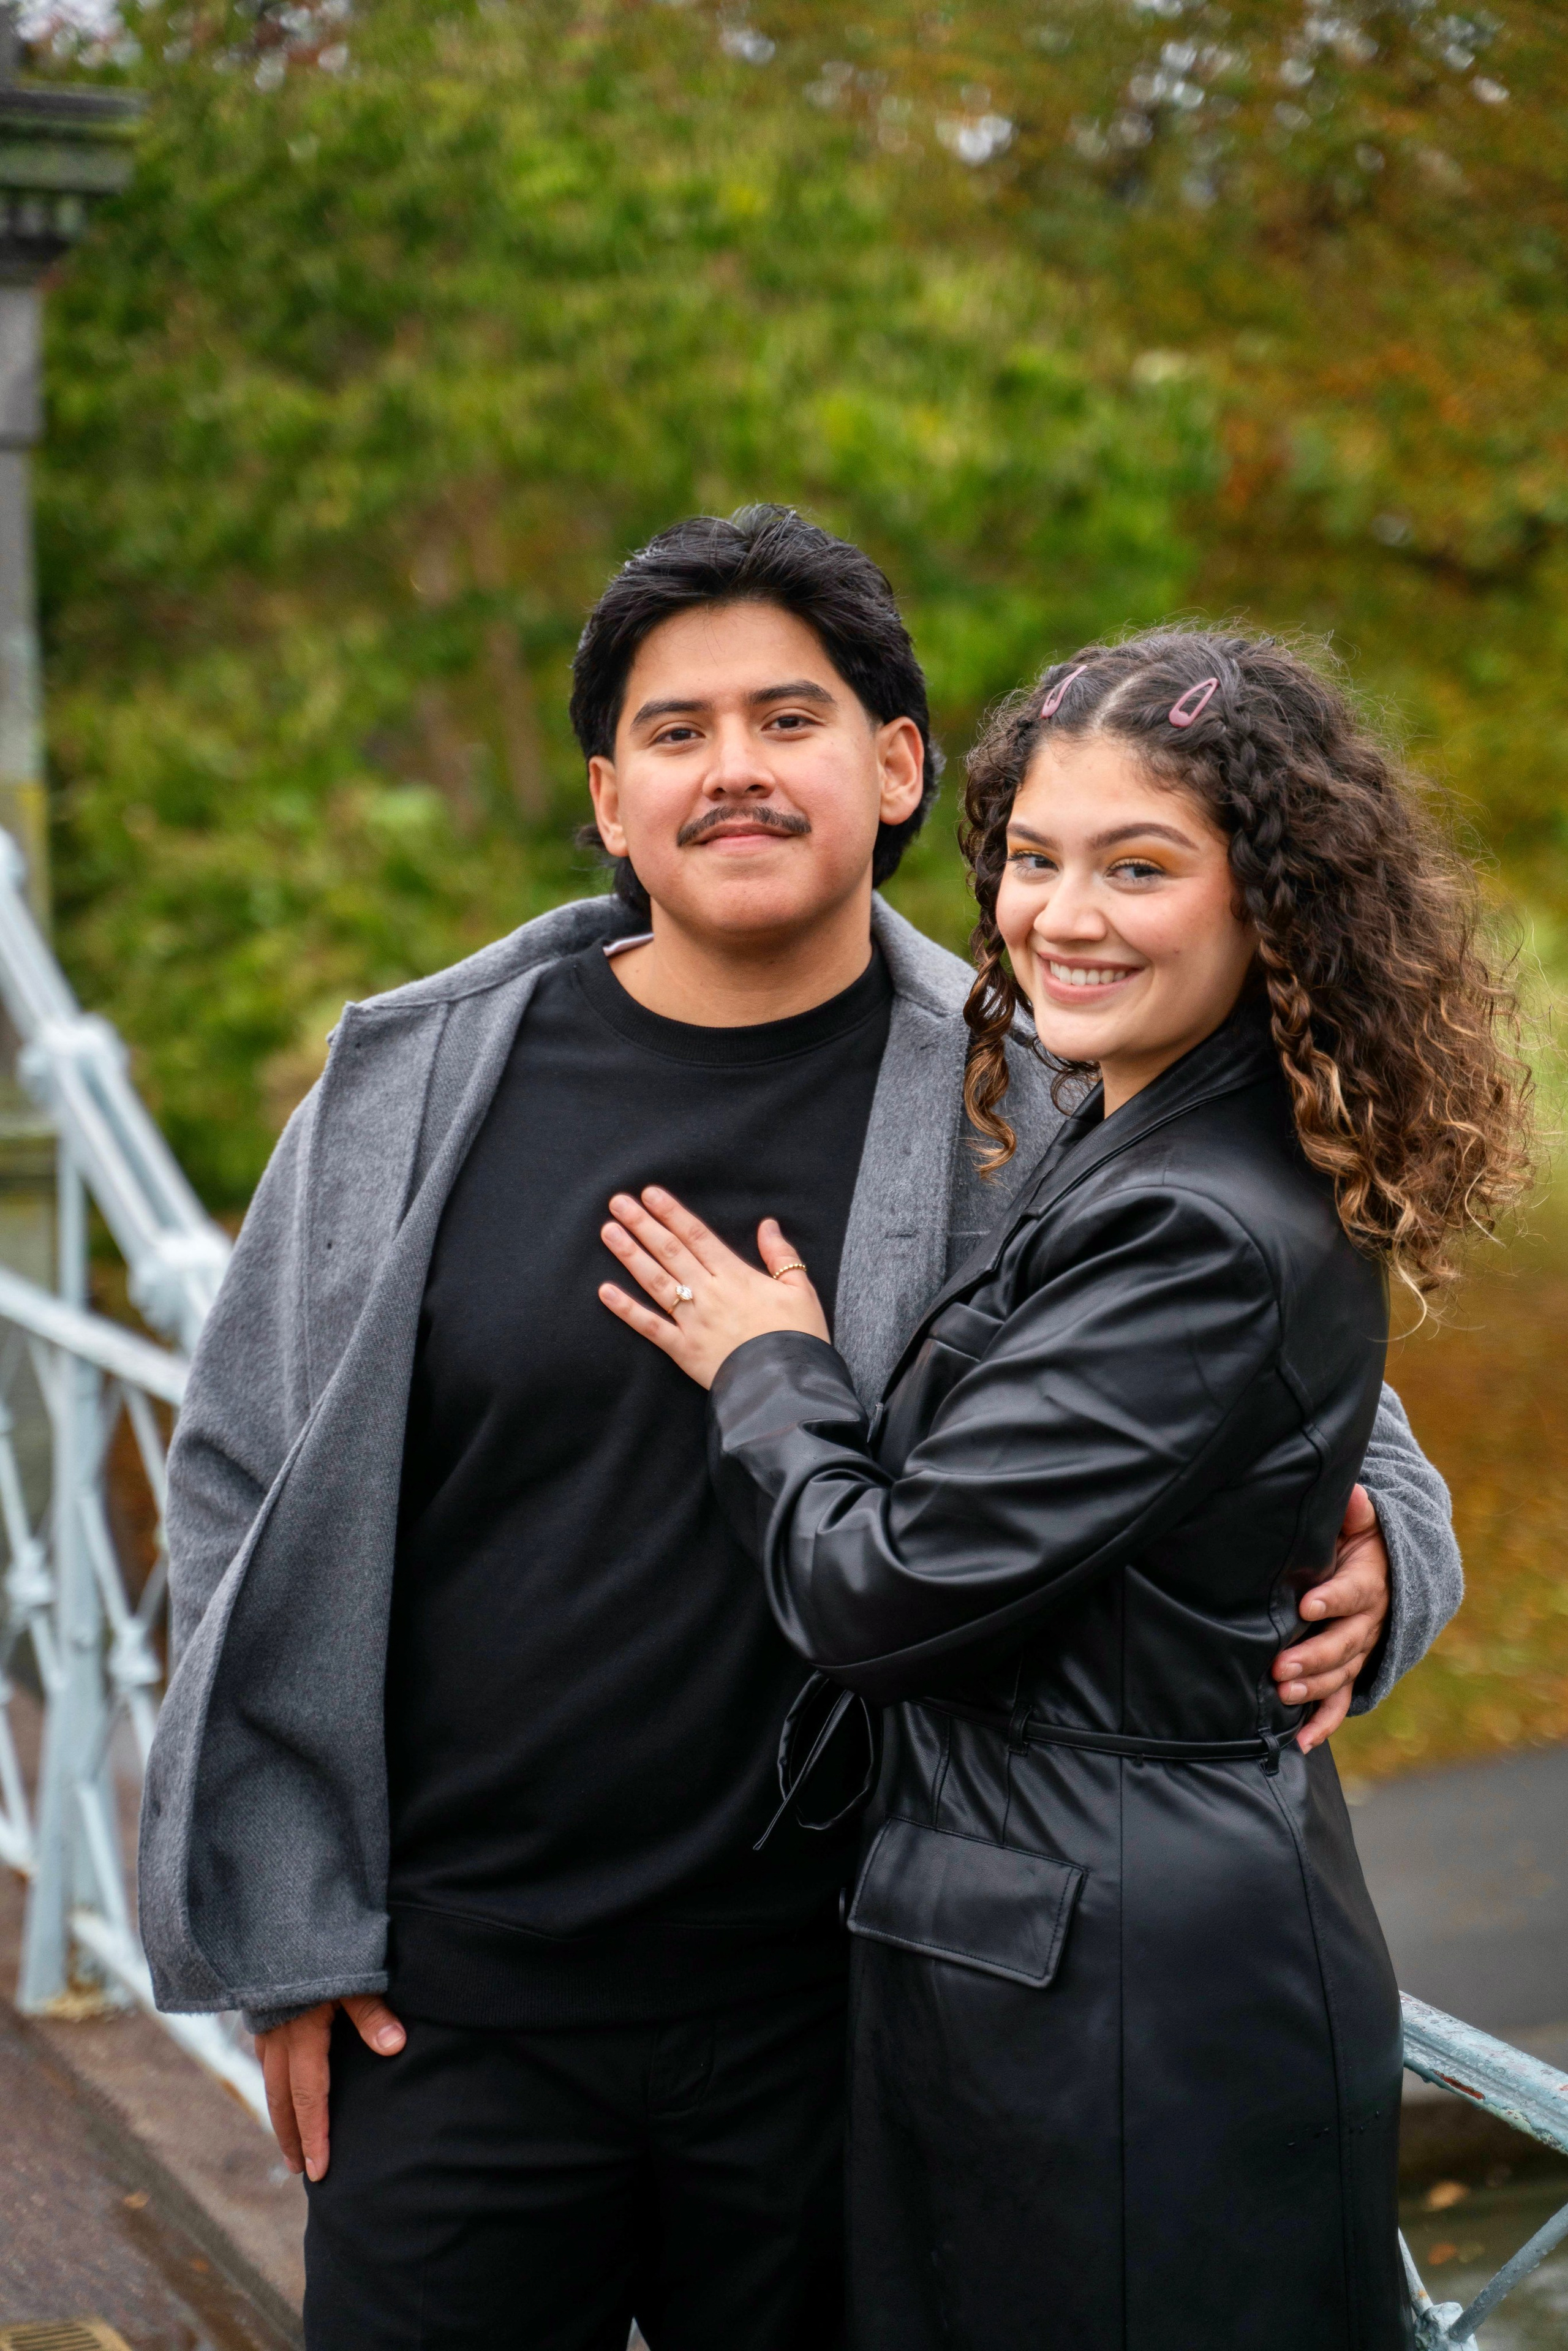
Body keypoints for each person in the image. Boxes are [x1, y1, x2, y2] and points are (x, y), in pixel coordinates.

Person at [140, 523, 1460, 2351]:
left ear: (901, 767)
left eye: (791, 716)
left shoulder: (1046, 1088)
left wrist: (1398, 1546)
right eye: (677, 734)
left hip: (845, 2011)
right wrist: (284, 1919)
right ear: (608, 800)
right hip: (454, 2013)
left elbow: (1299, 1380)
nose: (736, 768)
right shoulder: (411, 1077)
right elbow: (236, 1482)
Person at [598, 625, 1531, 2351]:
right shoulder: (1141, 1131)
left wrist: (767, 1369)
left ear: (1276, 903)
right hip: (1063, 1951)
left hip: (1117, 2001)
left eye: (1139, 866)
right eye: (1034, 858)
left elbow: (883, 1590)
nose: (1063, 915)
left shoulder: (1191, 1217)